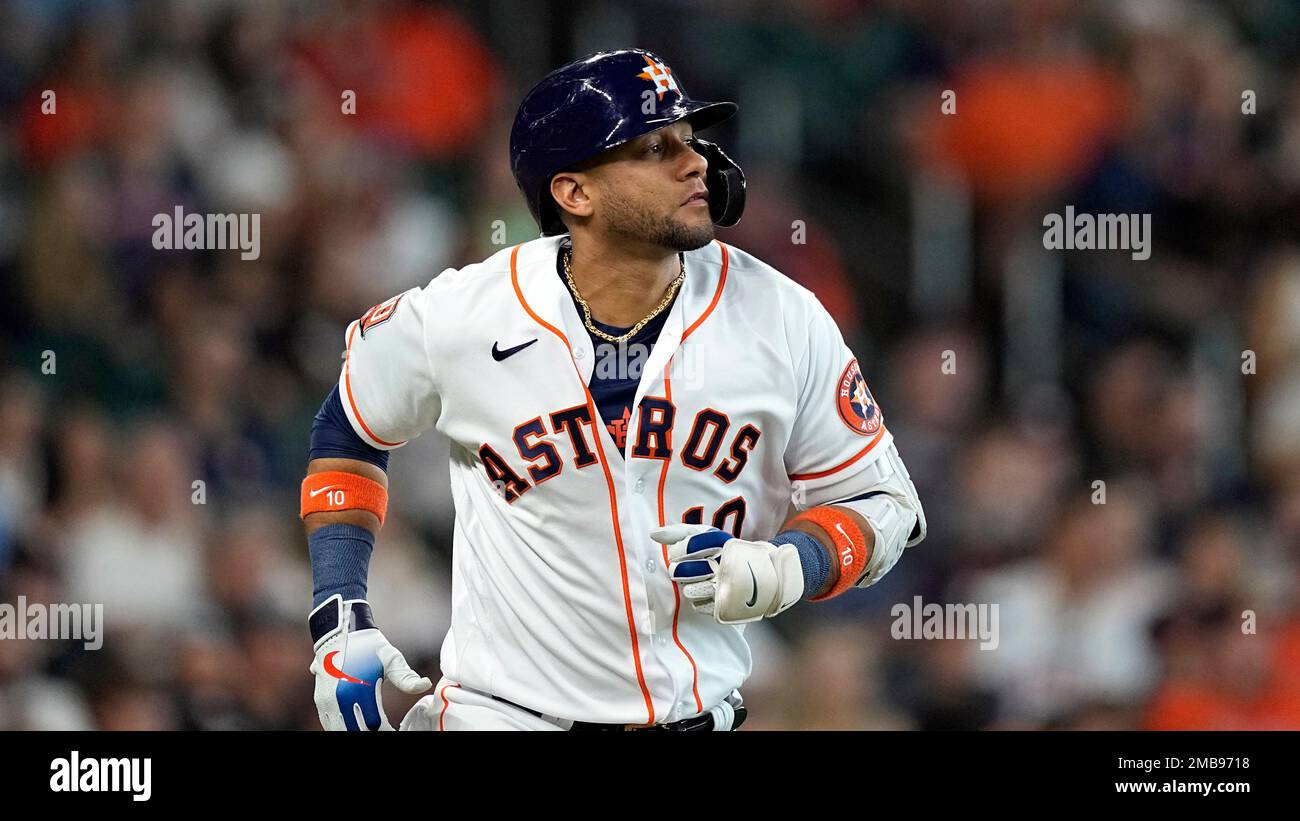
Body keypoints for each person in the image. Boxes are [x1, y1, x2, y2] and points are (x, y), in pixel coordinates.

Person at [300, 49, 926, 731]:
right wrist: (340, 613)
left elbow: (882, 501)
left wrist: (790, 565)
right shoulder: (465, 315)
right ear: (574, 193)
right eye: (655, 147)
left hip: (695, 717)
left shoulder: (782, 316)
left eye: (690, 141)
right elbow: (351, 426)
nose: (694, 163)